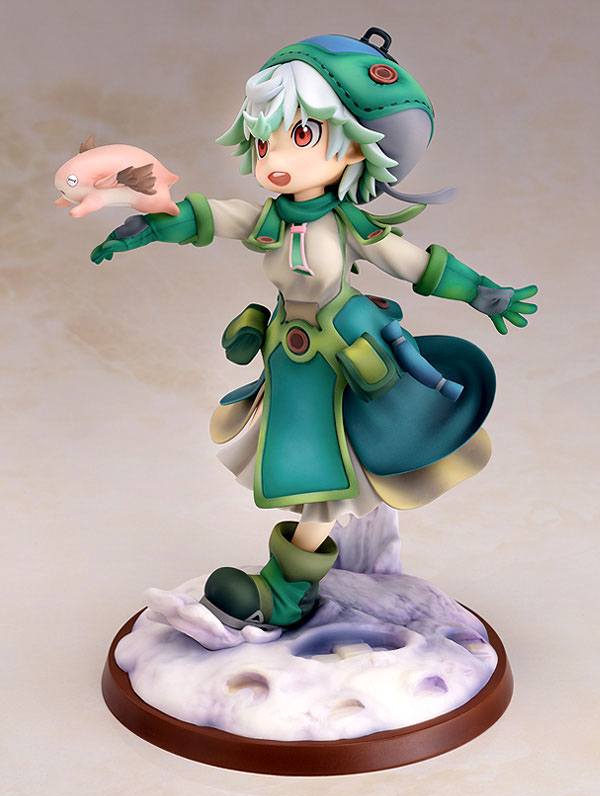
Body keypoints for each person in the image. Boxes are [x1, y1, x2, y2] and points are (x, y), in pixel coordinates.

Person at [90, 29, 538, 636]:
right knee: (300, 466)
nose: (273, 158)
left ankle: (284, 591)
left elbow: (412, 262)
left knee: (333, 475)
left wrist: (480, 291)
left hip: (345, 355)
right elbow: (213, 216)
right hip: (290, 356)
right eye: (263, 139)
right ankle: (291, 586)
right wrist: (151, 225)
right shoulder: (273, 217)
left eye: (300, 135)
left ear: (354, 148)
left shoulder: (348, 224)